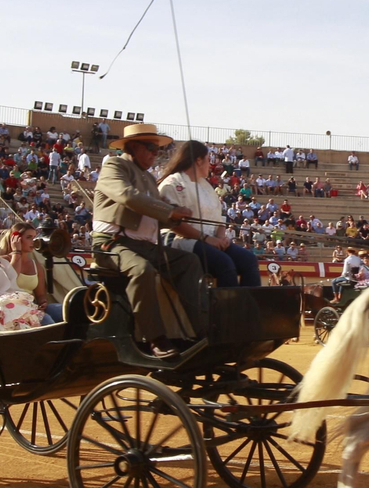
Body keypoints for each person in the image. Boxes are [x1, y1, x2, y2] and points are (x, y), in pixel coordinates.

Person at [92, 123, 205, 357]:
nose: (155, 154)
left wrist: (175, 214)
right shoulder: (114, 166)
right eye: (151, 148)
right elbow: (127, 196)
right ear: (133, 146)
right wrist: (168, 211)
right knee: (142, 270)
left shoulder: (148, 178)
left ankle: (199, 330)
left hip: (145, 245)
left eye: (157, 150)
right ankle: (155, 339)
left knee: (189, 262)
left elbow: (154, 217)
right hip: (112, 244)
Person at [158, 139, 261, 288]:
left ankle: (248, 309)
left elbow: (219, 220)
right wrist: (206, 239)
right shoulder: (172, 184)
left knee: (249, 261)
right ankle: (225, 310)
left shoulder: (205, 186)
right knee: (224, 264)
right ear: (198, 161)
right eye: (208, 159)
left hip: (210, 240)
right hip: (182, 240)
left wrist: (220, 237)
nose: (210, 163)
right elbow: (174, 224)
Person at [1, 220, 62, 324]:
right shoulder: (3, 261)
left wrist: (43, 302)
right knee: (47, 320)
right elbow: (10, 281)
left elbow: (40, 295)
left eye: (34, 237)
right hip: (12, 307)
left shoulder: (37, 266)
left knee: (65, 310)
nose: (33, 241)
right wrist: (17, 252)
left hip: (32, 306)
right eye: (29, 237)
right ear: (16, 238)